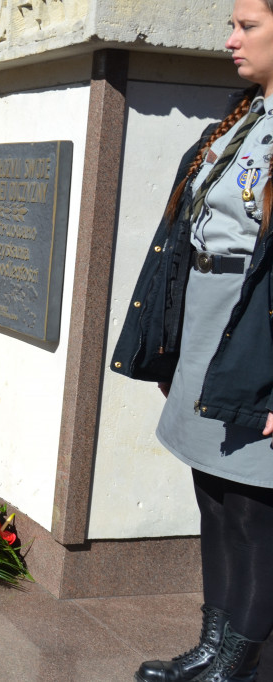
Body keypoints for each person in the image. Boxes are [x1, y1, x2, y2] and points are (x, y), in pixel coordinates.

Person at [114, 1, 273, 679]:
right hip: (213, 325)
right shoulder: (246, 118)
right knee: (213, 495)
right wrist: (173, 343)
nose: (229, 39)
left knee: (254, 510)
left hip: (258, 331)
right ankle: (211, 646)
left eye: (248, 26)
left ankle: (236, 666)